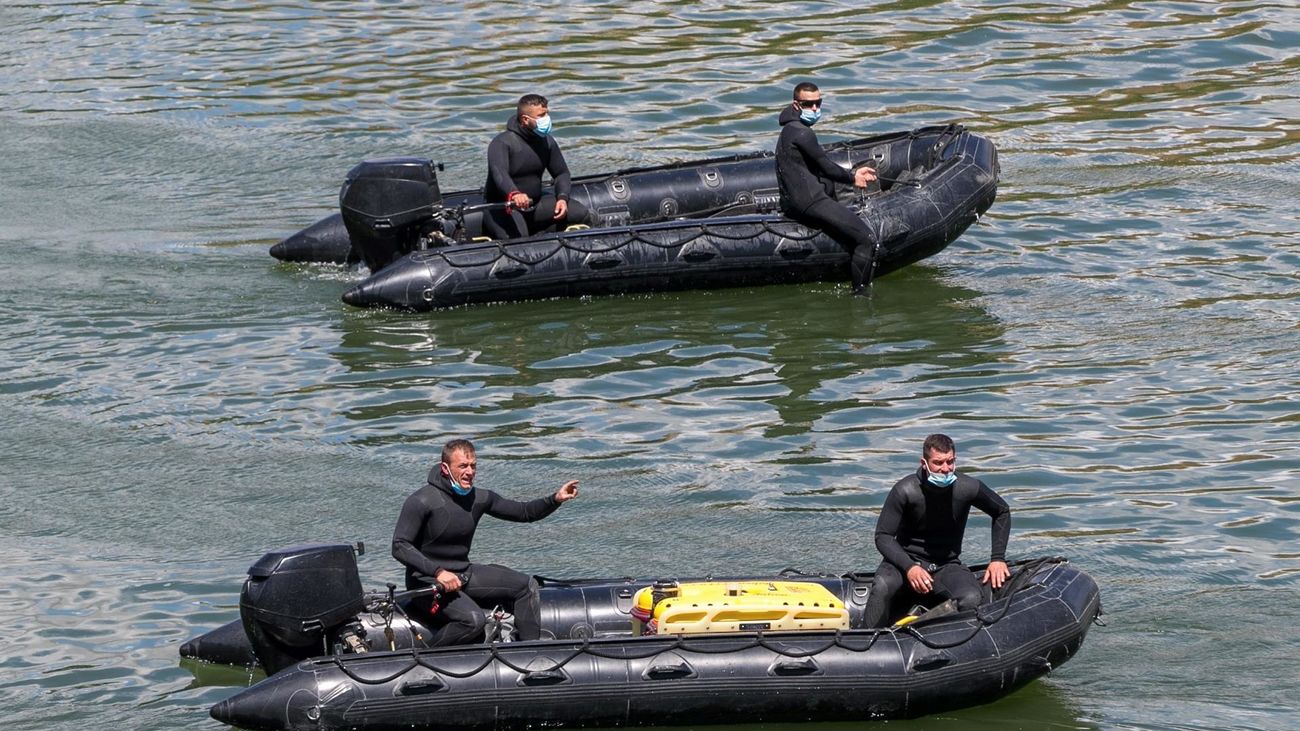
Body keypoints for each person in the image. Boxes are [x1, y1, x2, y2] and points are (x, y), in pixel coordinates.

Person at [391, 438, 579, 646]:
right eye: (463, 466)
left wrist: (555, 499)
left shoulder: (479, 498)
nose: (470, 472)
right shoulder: (422, 500)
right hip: (428, 584)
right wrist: (438, 572)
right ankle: (425, 658)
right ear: (445, 468)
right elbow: (400, 545)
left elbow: (523, 512)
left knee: (526, 586)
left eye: (473, 466)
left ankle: (529, 655)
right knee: (473, 621)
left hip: (463, 574)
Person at [862, 433, 1011, 628]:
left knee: (972, 598)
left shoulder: (967, 487)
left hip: (945, 564)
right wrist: (910, 567)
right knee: (882, 586)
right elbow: (883, 536)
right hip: (903, 563)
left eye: (950, 462)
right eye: (938, 463)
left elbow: (1002, 511)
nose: (946, 469)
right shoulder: (905, 490)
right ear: (924, 463)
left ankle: (929, 629)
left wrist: (997, 558)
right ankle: (867, 642)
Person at [775, 81, 880, 293]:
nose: (814, 109)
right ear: (796, 105)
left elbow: (820, 169)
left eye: (818, 103)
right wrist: (853, 178)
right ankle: (860, 295)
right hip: (810, 202)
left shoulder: (789, 130)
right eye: (808, 104)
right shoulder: (802, 133)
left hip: (796, 202)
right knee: (866, 239)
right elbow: (826, 167)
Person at [483, 93, 591, 240]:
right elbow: (499, 174)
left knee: (582, 214)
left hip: (536, 204)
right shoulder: (502, 143)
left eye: (547, 113)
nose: (547, 119)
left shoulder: (547, 142)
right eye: (542, 115)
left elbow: (561, 173)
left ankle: (547, 237)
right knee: (520, 242)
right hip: (504, 207)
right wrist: (515, 194)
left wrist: (562, 198)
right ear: (525, 119)